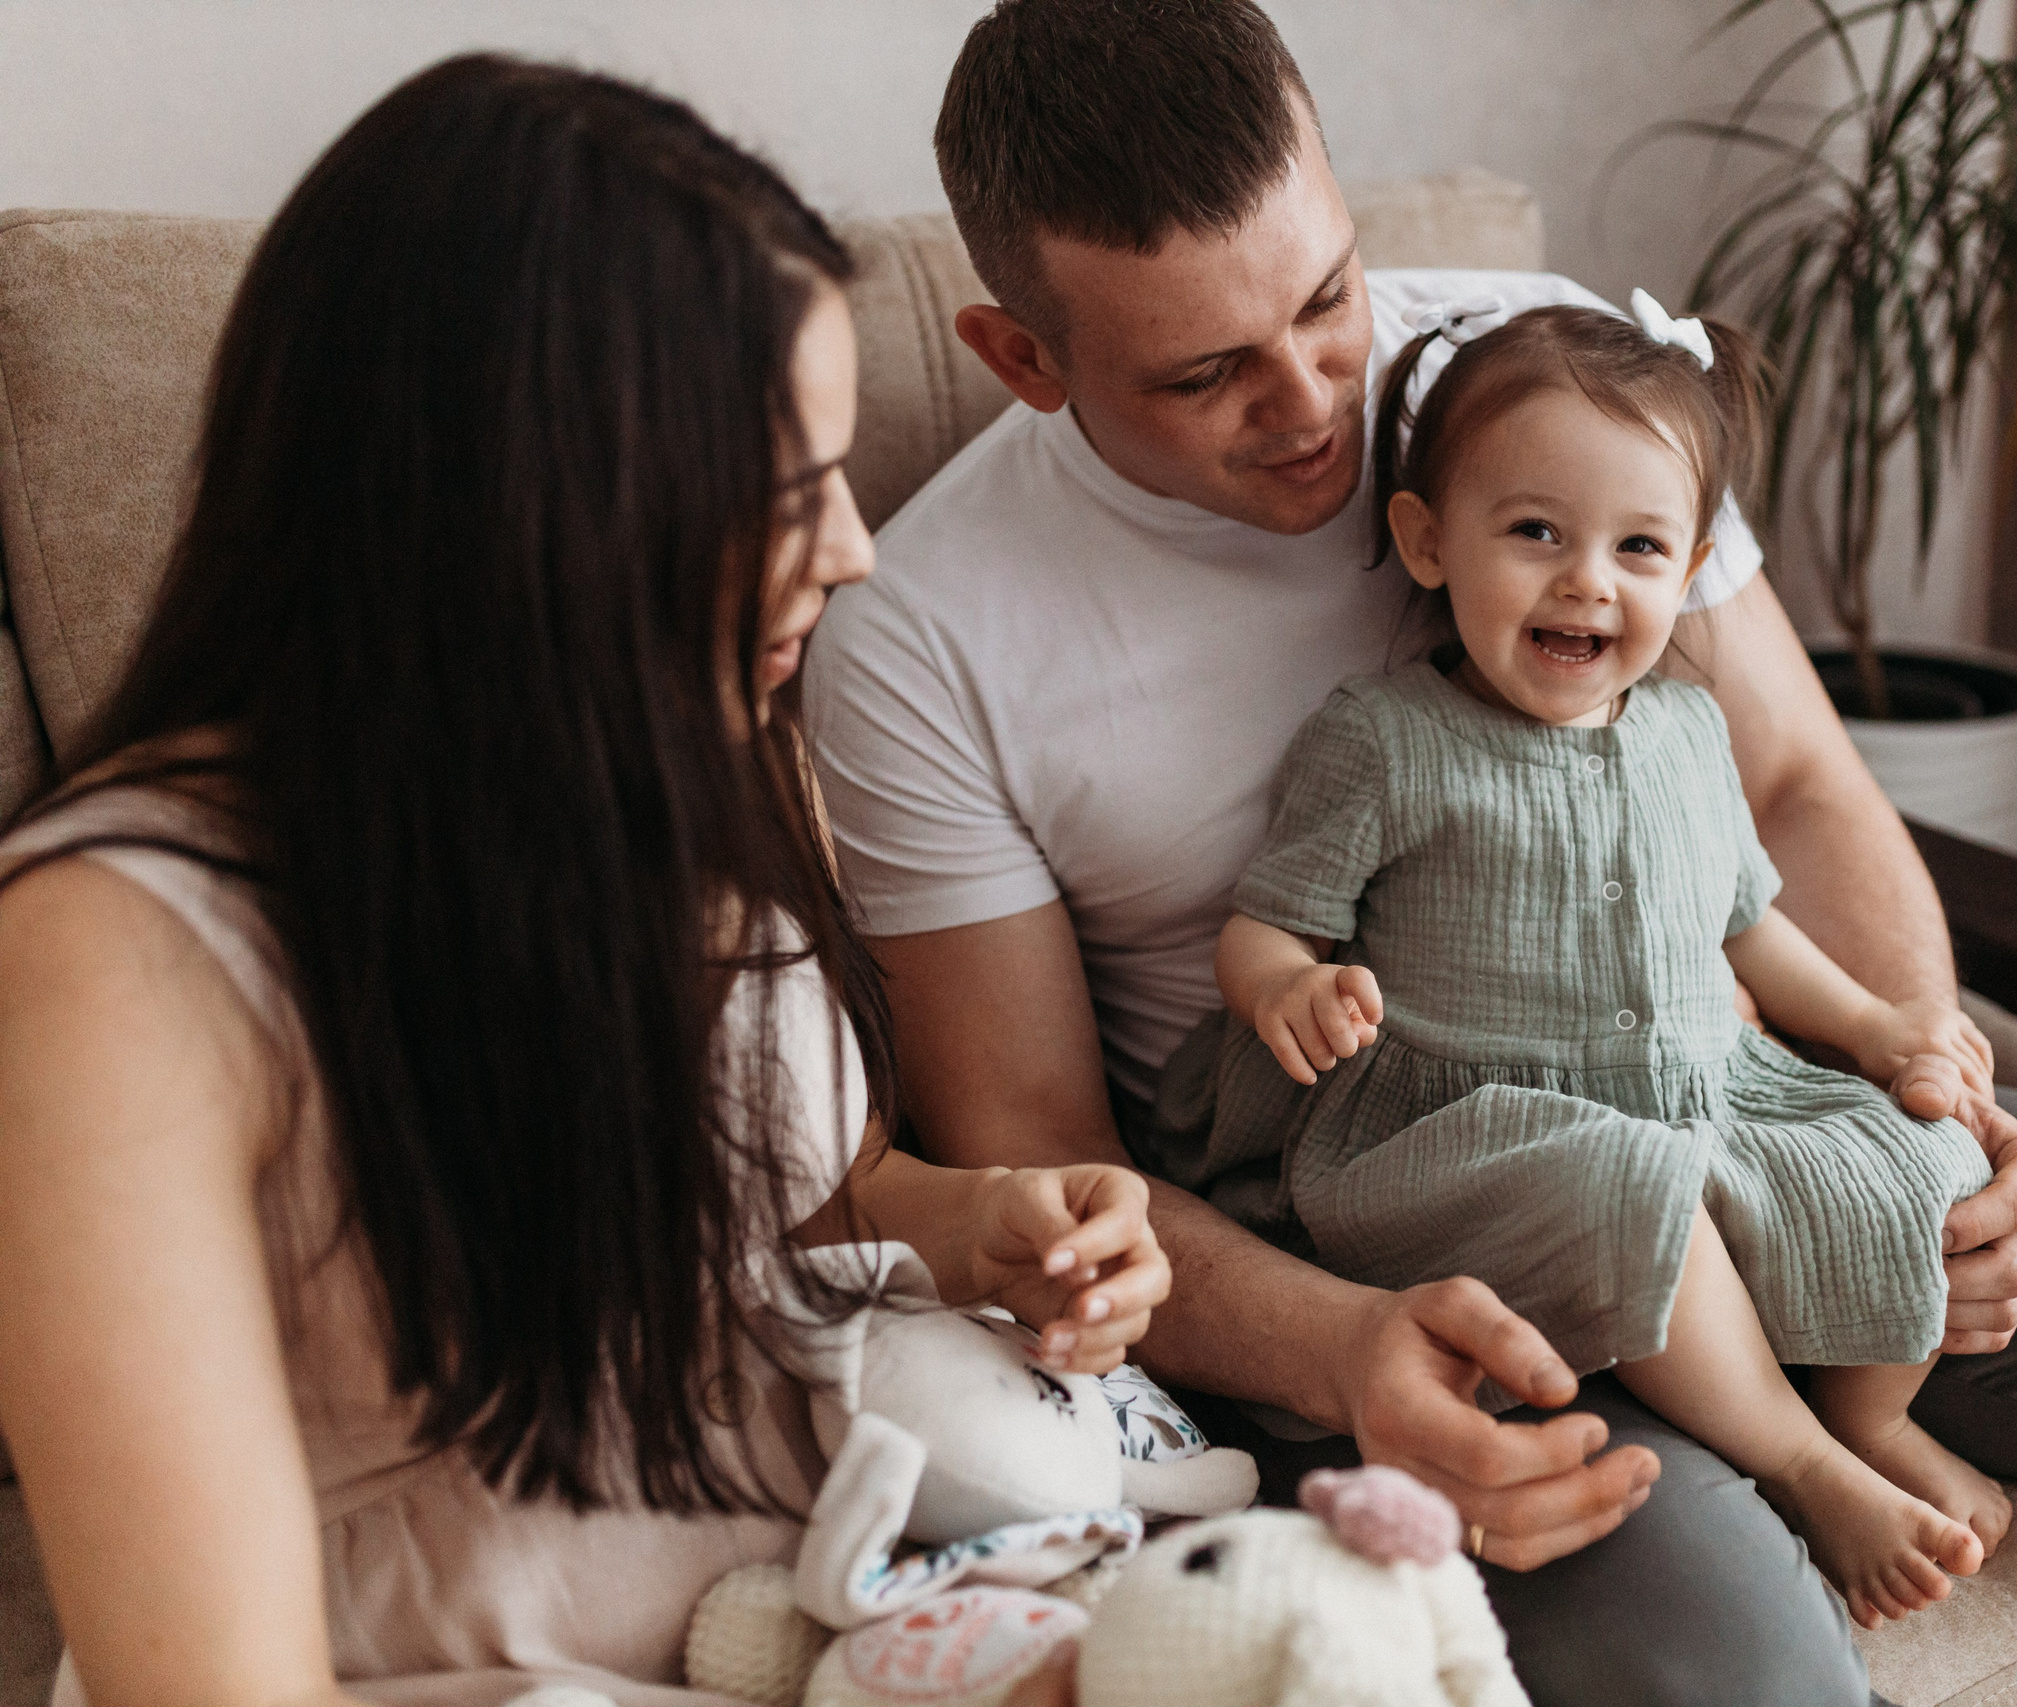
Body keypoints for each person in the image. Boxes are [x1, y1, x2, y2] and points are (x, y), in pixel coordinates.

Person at [809, 2, 2017, 1702]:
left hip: (1762, 1108)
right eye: (1207, 372)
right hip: (1421, 1252)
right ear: (1020, 359)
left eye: (1328, 295)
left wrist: (1944, 1117)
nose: (1315, 401)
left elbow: (1790, 786)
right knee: (1737, 1672)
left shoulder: (1538, 373)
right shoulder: (921, 640)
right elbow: (1049, 1167)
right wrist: (1347, 1355)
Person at [0, 56, 1161, 1707]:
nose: (853, 550)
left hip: (840, 1606)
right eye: (782, 494)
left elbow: (793, 1215)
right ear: (528, 508)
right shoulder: (115, 954)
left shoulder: (689, 742)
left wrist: (984, 1227)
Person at [1210, 300, 2007, 1630]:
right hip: (1480, 1124)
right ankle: (1805, 1467)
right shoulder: (1390, 739)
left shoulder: (1692, 733)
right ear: (1426, 541)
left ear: (1689, 567)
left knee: (1917, 1157)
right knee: (1635, 1187)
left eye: (1638, 548)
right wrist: (1289, 987)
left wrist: (1877, 1030)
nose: (1589, 581)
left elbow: (1747, 925)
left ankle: (1870, 1417)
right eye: (1536, 534)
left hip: (1706, 1085)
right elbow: (1267, 924)